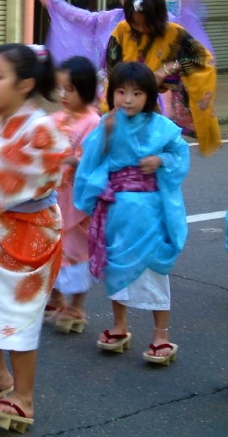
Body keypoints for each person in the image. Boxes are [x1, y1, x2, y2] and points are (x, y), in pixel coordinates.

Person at [0, 44, 69, 432]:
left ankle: (24, 396)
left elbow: (12, 176)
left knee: (17, 315)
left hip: (30, 232)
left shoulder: (43, 128)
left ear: (25, 85)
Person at [74, 62, 189, 365]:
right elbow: (91, 162)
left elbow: (180, 155)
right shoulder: (107, 124)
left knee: (155, 272)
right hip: (116, 211)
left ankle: (161, 334)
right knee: (116, 267)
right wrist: (106, 136)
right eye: (121, 92)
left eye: (137, 93)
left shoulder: (163, 127)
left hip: (150, 212)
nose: (127, 99)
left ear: (149, 96)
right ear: (111, 93)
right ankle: (120, 326)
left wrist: (161, 160)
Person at [106, 0, 221, 156]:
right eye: (135, 23)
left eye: (145, 23)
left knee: (155, 152)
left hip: (149, 107)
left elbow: (204, 62)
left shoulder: (174, 34)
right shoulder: (122, 30)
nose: (140, 28)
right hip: (121, 102)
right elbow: (112, 67)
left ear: (158, 17)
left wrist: (166, 70)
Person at [38, 0, 214, 70]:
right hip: (113, 95)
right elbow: (85, 17)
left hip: (148, 97)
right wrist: (55, 3)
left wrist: (164, 72)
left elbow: (193, 52)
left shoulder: (167, 23)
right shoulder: (114, 17)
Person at [44, 56, 100, 331]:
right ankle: (55, 298)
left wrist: (70, 159)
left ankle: (77, 306)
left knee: (77, 249)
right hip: (55, 195)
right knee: (50, 246)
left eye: (71, 89)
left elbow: (94, 160)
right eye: (61, 88)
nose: (63, 95)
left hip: (77, 199)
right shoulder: (56, 117)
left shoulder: (93, 122)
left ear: (86, 89)